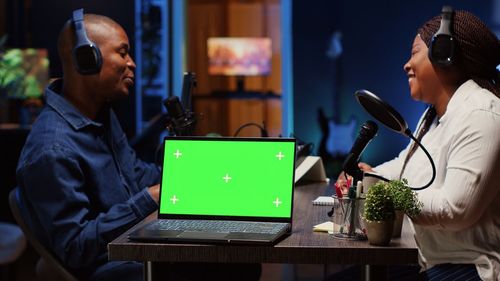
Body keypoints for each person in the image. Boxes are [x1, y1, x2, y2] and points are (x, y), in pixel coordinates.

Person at [16, 11, 260, 281]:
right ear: (87, 59)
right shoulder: (52, 148)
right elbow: (75, 247)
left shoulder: (101, 116)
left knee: (241, 259)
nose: (132, 64)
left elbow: (136, 175)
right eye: (122, 53)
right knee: (236, 266)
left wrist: (197, 172)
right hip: (112, 267)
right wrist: (150, 199)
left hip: (136, 246)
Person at [332, 9, 500, 281]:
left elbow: (455, 210)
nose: (406, 65)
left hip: (470, 270)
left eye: (414, 53)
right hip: (433, 263)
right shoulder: (434, 116)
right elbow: (405, 165)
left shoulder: (481, 114)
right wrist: (369, 176)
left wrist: (390, 193)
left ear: (444, 54)